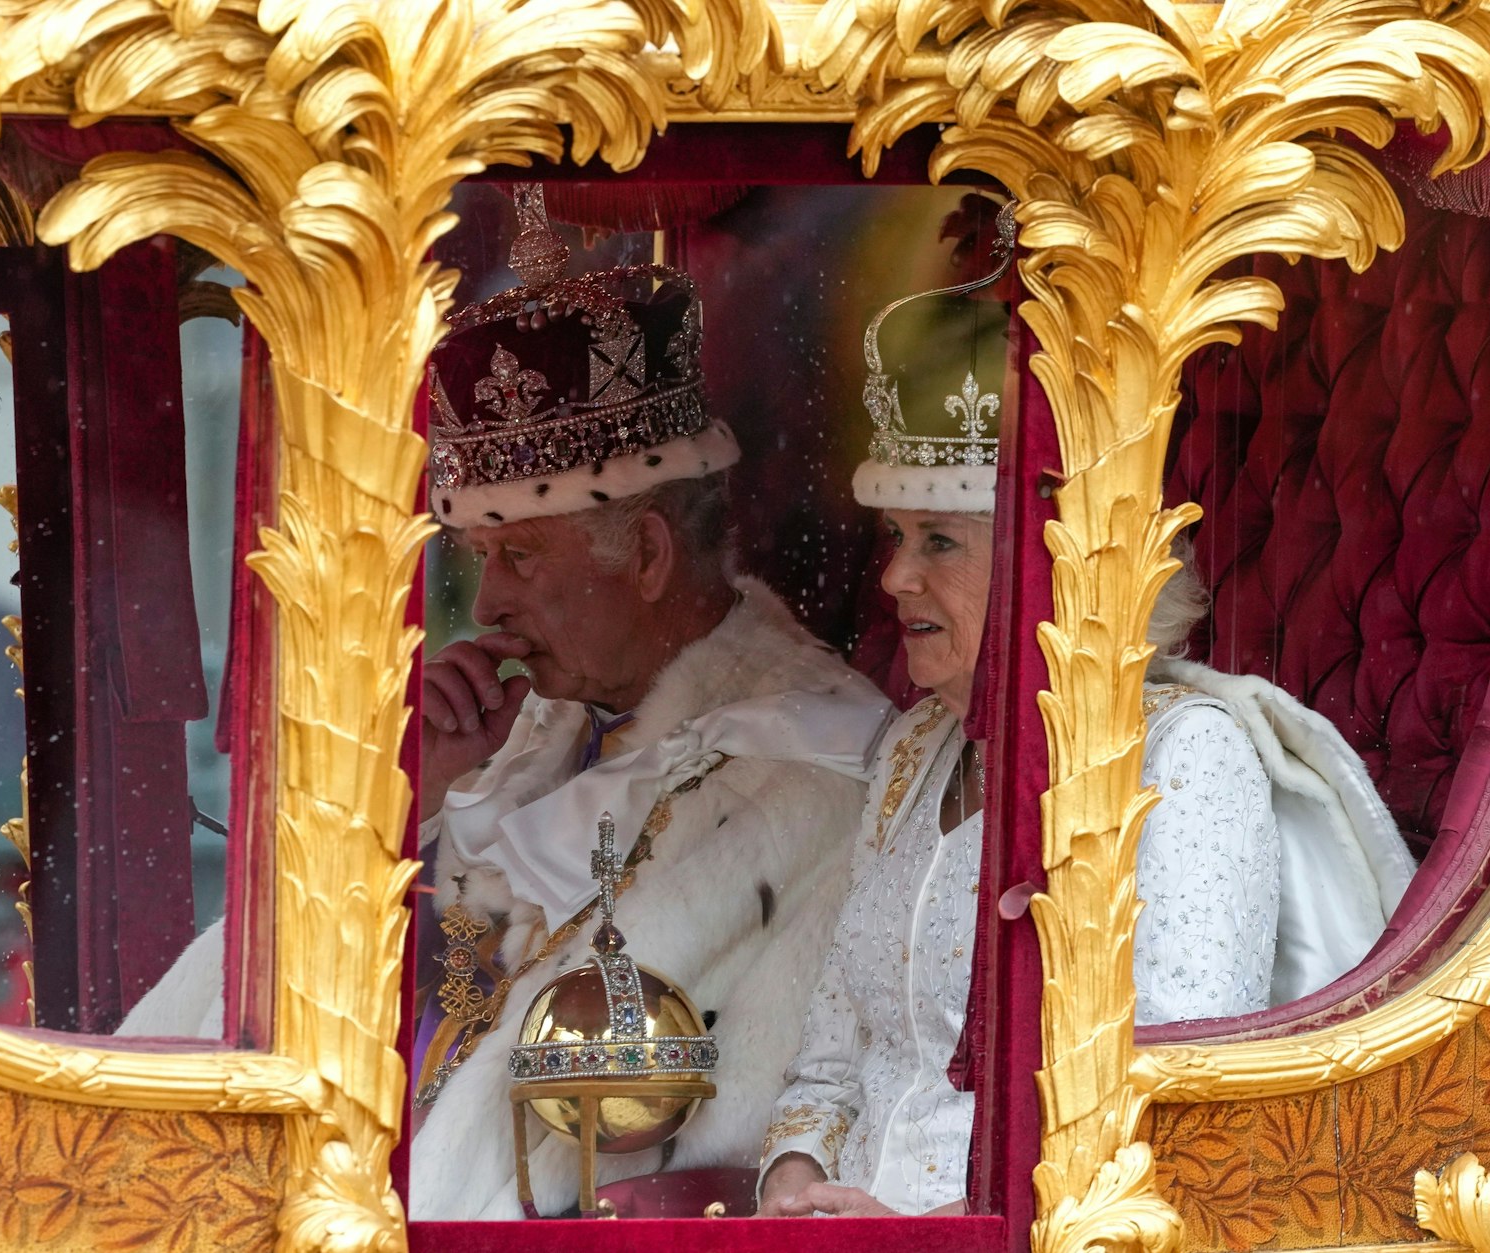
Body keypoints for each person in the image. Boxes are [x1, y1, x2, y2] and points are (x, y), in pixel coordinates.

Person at [756, 222, 1417, 1218]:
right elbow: (823, 1072)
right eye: (893, 536)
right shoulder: (908, 752)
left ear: (1047, 558)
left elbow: (1170, 1125)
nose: (894, 576)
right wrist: (792, 1185)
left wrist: (917, 1236)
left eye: (937, 539)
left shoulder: (1183, 756)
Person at [406, 188, 895, 1220]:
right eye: (481, 559)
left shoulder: (813, 768)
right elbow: (444, 1002)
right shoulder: (547, 724)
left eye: (520, 558)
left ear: (645, 554)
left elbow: (703, 1138)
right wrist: (428, 809)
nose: (487, 604)